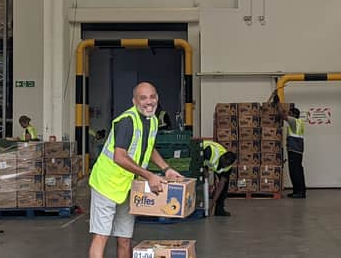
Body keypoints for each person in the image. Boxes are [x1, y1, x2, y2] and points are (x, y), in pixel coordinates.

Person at [88, 82, 183, 258]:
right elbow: (119, 156)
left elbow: (149, 147)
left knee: (125, 238)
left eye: (152, 97)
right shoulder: (127, 121)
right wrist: (149, 175)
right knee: (101, 236)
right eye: (143, 98)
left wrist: (166, 168)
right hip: (106, 184)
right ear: (134, 101)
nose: (149, 102)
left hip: (127, 187)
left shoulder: (152, 121)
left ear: (157, 98)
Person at [202, 140, 237, 217]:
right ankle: (199, 206)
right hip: (200, 150)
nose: (224, 166)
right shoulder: (211, 152)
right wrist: (206, 174)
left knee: (224, 186)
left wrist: (211, 206)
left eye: (226, 165)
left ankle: (219, 210)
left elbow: (221, 186)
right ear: (222, 156)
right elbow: (204, 165)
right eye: (223, 163)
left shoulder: (227, 168)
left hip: (210, 162)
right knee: (201, 179)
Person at [281, 107, 306, 198]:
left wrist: (277, 104)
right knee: (298, 171)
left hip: (294, 150)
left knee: (295, 172)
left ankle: (299, 192)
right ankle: (298, 191)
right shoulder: (299, 122)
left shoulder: (294, 121)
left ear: (294, 115)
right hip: (298, 150)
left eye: (290, 113)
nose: (288, 114)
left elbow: (282, 116)